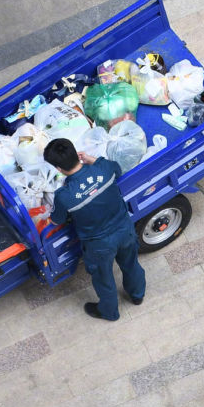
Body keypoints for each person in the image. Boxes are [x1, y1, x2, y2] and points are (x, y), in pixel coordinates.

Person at [44, 138, 145, 321]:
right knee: (131, 264)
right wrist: (92, 160)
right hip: (124, 229)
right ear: (77, 154)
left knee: (103, 278)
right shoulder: (103, 169)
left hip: (99, 244)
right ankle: (137, 295)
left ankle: (109, 312)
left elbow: (56, 220)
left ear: (58, 169)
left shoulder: (64, 196)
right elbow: (117, 168)